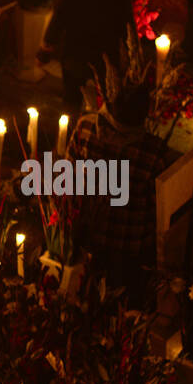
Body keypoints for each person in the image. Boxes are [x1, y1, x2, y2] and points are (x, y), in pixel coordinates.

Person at [68, 83, 169, 305]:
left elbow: (69, 172)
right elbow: (158, 209)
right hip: (126, 246)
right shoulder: (153, 151)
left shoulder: (86, 126)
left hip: (84, 236)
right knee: (116, 306)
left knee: (79, 300)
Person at [37, 0, 134, 115]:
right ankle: (102, 131)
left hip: (76, 56)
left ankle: (70, 132)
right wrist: (130, 57)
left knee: (71, 100)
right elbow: (128, 28)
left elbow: (57, 22)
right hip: (106, 58)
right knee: (108, 100)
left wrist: (45, 52)